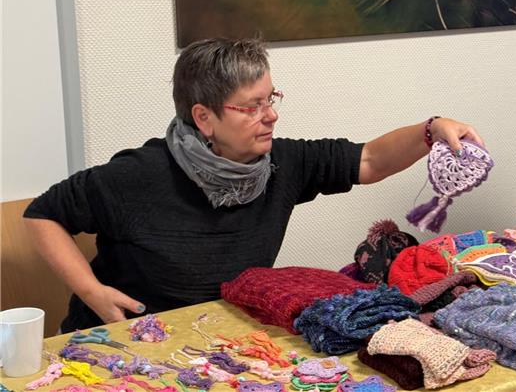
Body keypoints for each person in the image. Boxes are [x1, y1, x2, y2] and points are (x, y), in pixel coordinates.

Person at [24, 37, 484, 332]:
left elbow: (368, 159)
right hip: (121, 340)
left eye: (272, 99)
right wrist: (91, 292)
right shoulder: (137, 174)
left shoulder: (282, 161)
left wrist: (431, 129)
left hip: (217, 336)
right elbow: (43, 213)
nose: (272, 116)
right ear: (204, 117)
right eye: (252, 106)